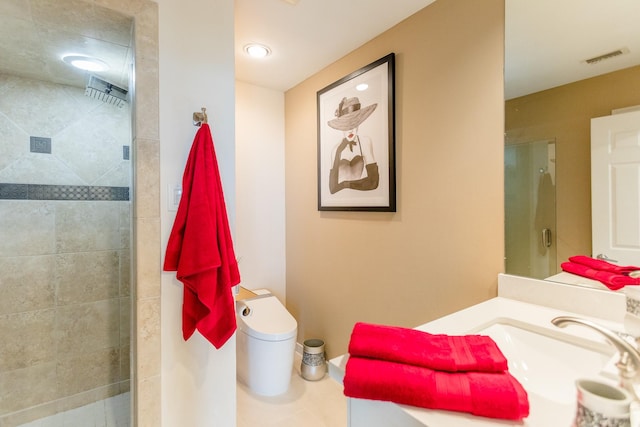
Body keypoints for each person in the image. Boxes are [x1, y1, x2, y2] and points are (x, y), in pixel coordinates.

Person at [327, 97, 379, 194]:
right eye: (346, 126)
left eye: (354, 124)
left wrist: (345, 184)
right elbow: (333, 188)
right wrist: (339, 151)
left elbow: (373, 182)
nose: (350, 130)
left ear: (359, 123)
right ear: (341, 127)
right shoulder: (336, 150)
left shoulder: (365, 142)